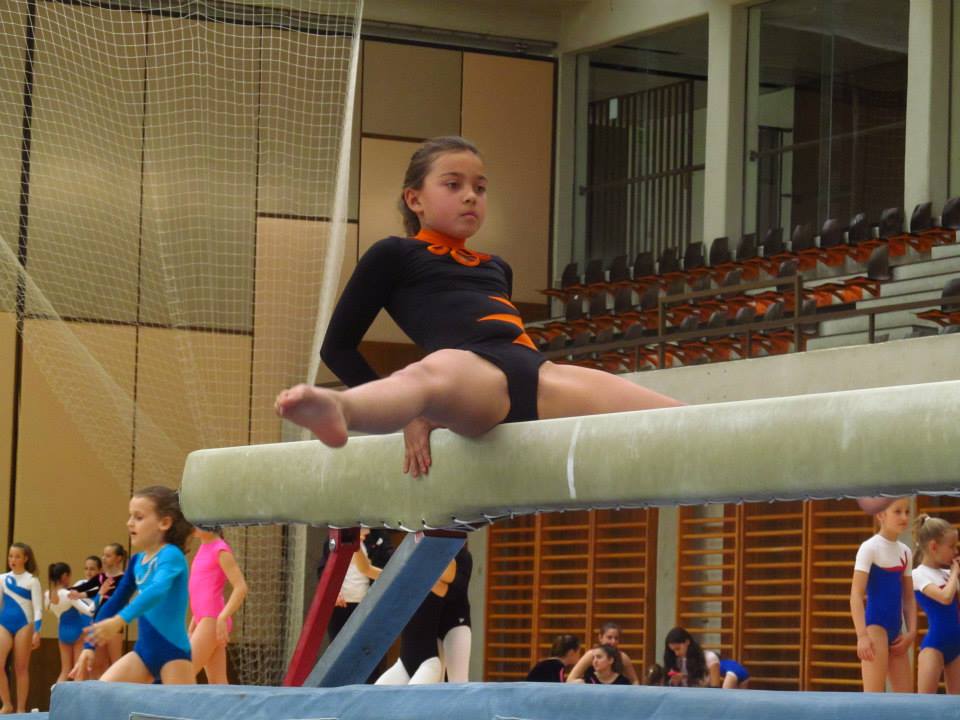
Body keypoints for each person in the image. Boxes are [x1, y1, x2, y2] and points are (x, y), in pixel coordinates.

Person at [274, 136, 682, 475]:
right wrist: (413, 417)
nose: (470, 196)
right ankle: (341, 408)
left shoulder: (496, 266)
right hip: (470, 376)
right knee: (428, 375)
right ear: (415, 199)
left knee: (682, 422)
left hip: (538, 374)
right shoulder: (394, 254)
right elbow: (337, 348)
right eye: (453, 185)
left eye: (480, 188)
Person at [70, 486, 195, 685]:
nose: (129, 523)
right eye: (130, 516)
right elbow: (114, 602)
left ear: (164, 522)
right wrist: (89, 646)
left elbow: (156, 591)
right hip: (143, 654)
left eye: (138, 517)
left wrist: (119, 621)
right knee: (101, 694)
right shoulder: (137, 561)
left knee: (180, 706)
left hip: (173, 654)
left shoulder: (171, 555)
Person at [352, 548, 456, 685]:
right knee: (376, 693)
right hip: (403, 664)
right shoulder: (402, 582)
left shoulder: (437, 586)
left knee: (411, 696)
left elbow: (450, 574)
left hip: (428, 664)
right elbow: (365, 569)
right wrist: (356, 546)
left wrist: (436, 542)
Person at [850, 497, 915, 693]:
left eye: (907, 511)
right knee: (873, 699)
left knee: (906, 701)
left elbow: (909, 598)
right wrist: (862, 635)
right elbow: (856, 595)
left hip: (897, 632)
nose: (904, 517)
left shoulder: (905, 552)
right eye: (897, 511)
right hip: (875, 629)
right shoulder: (869, 548)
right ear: (880, 515)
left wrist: (911, 633)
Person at [188, 527, 248, 684]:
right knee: (218, 682)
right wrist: (194, 623)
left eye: (197, 522)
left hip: (212, 619)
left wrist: (223, 616)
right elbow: (201, 590)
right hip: (205, 619)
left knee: (183, 672)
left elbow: (241, 587)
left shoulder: (220, 549)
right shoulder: (203, 547)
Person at [912, 514, 960, 694]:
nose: (956, 551)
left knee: (956, 706)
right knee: (925, 705)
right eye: (951, 546)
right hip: (934, 647)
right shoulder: (918, 574)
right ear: (933, 546)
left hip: (956, 646)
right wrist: (954, 573)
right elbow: (945, 597)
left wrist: (953, 574)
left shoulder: (947, 574)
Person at [69, 543, 128, 676]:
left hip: (114, 623)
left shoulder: (124, 579)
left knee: (115, 663)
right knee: (98, 664)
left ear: (118, 558)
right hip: (98, 622)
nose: (104, 558)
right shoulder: (101, 577)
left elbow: (121, 599)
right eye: (103, 555)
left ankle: (116, 688)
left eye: (108, 556)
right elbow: (84, 588)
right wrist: (64, 591)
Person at [0, 542, 42, 713]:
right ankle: (6, 704)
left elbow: (38, 608)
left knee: (21, 667)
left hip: (24, 624)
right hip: (4, 623)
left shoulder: (32, 580)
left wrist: (37, 631)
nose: (13, 559)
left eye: (17, 556)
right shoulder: (2, 578)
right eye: (11, 556)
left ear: (25, 558)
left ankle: (20, 709)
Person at [45, 562, 95, 684]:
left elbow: (49, 609)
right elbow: (90, 612)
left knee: (65, 670)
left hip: (62, 632)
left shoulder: (47, 595)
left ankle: (56, 696)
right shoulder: (67, 594)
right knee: (78, 670)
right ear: (65, 576)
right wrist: (99, 597)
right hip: (77, 631)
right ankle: (77, 697)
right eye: (69, 576)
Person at [438, 544, 472, 682]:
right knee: (433, 681)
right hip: (432, 621)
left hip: (456, 621)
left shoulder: (463, 556)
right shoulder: (426, 555)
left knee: (458, 680)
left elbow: (456, 589)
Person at [567, 622, 639, 685]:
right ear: (600, 638)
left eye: (616, 638)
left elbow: (634, 681)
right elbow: (570, 679)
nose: (613, 641)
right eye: (609, 637)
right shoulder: (591, 655)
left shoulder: (623, 657)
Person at [566, 644, 630, 685]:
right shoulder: (588, 679)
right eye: (594, 657)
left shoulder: (623, 682)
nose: (595, 661)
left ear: (610, 660)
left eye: (599, 657)